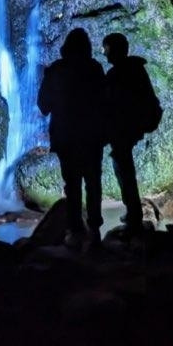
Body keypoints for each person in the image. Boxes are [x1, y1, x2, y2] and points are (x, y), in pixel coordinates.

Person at [37, 27, 107, 246]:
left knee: (72, 184)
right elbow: (105, 100)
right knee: (93, 182)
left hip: (65, 136)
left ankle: (75, 230)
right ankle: (94, 228)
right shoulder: (94, 68)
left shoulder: (56, 70)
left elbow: (43, 105)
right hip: (91, 136)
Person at [102, 32, 161, 237]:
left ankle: (134, 215)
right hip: (132, 126)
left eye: (106, 49)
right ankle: (132, 212)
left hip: (124, 128)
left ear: (115, 50)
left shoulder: (118, 74)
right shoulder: (137, 69)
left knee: (124, 169)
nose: (104, 53)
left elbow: (110, 104)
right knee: (124, 167)